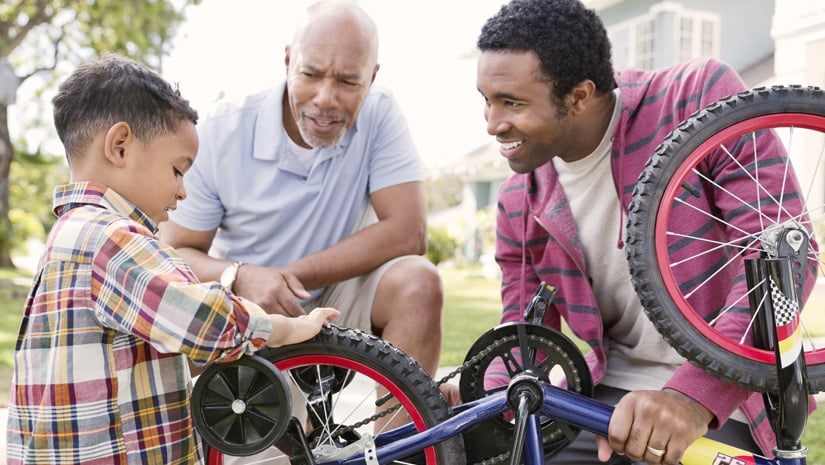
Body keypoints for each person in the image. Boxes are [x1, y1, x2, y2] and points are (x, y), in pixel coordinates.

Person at [476, 1, 815, 464]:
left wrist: (692, 399)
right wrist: (485, 393)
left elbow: (787, 257)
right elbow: (522, 335)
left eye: (511, 102)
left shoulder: (695, 99)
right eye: (487, 100)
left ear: (578, 96)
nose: (493, 124)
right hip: (604, 400)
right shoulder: (520, 196)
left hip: (727, 400)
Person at [5, 54, 339, 465]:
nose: (183, 192)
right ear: (120, 146)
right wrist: (286, 328)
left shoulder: (71, 236)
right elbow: (200, 319)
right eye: (178, 171)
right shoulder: (111, 239)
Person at [161, 1, 446, 393]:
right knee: (275, 449)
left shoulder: (380, 112)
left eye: (348, 81)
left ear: (372, 76)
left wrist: (289, 278)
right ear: (288, 61)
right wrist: (243, 276)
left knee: (419, 282)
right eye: (310, 74)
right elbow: (176, 251)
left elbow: (408, 231)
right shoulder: (222, 131)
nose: (326, 98)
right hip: (249, 306)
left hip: (337, 294)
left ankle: (400, 449)